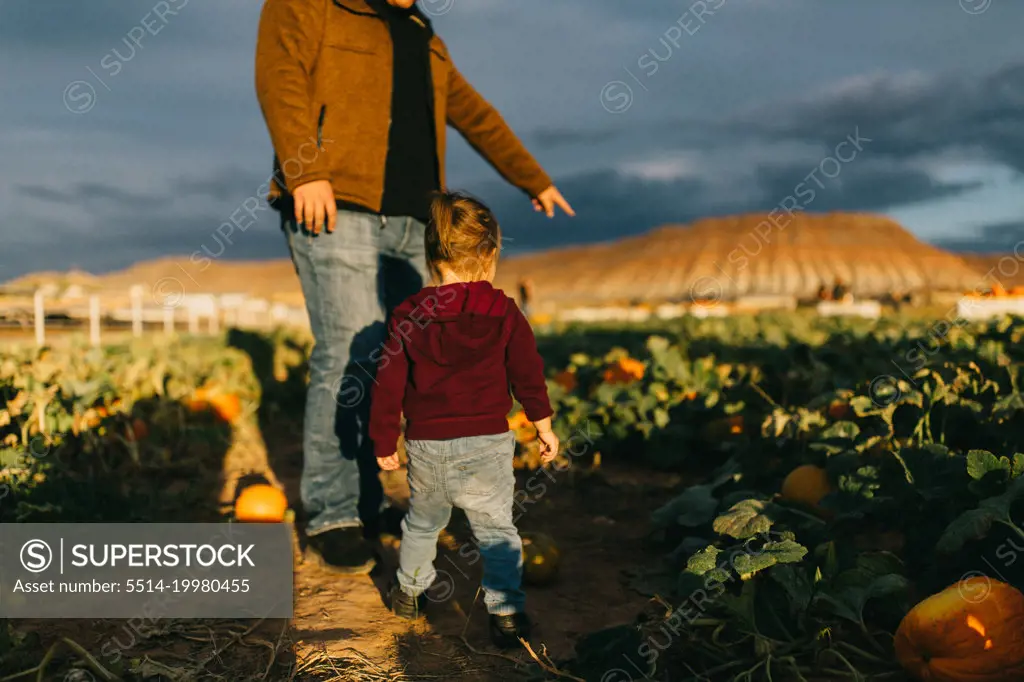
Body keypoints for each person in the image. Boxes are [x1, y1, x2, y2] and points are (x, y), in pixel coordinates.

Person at [255, 0, 574, 573]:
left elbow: (475, 114)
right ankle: (334, 513)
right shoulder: (310, 5)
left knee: (394, 359)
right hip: (336, 204)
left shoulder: (426, 37)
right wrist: (305, 171)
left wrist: (532, 177)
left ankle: (370, 501)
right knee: (348, 353)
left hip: (414, 220)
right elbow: (279, 77)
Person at [370, 191, 559, 647]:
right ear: (491, 254)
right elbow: (528, 374)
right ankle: (507, 616)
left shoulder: (408, 314)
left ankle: (410, 596)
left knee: (421, 524)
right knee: (496, 529)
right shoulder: (505, 312)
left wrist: (382, 442)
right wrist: (543, 425)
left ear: (432, 256)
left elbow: (388, 383)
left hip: (427, 446)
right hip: (488, 444)